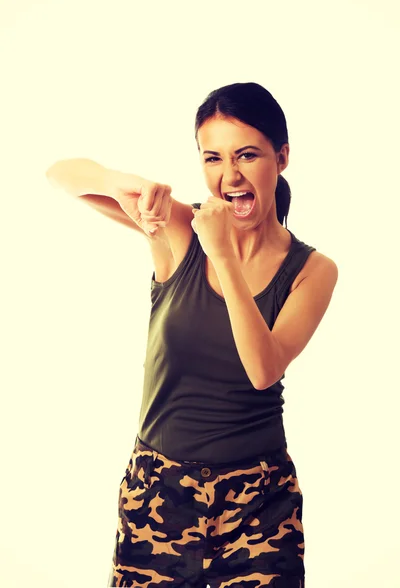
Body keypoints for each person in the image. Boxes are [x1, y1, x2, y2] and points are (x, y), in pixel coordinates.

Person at [46, 82, 338, 588]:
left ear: (282, 157)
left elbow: (264, 369)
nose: (230, 177)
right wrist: (122, 184)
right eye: (213, 158)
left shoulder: (312, 270)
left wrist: (222, 253)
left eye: (247, 155)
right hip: (158, 492)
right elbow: (61, 174)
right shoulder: (179, 229)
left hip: (259, 504)